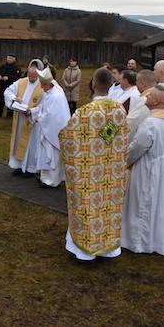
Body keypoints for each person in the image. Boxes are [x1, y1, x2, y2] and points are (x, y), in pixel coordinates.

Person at [59, 67, 129, 261]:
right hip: (111, 171)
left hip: (88, 171)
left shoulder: (85, 112)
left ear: (94, 84)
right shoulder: (119, 110)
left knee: (87, 206)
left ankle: (85, 252)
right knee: (108, 207)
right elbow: (118, 137)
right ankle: (108, 249)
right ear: (110, 85)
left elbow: (67, 137)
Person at [122, 85, 164, 256]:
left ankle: (139, 242)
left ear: (157, 101)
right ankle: (158, 241)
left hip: (148, 169)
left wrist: (124, 159)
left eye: (150, 96)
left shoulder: (150, 123)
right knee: (158, 205)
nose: (146, 98)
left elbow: (137, 148)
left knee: (142, 204)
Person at [28, 67, 71, 188]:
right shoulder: (49, 92)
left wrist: (40, 119)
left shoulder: (56, 95)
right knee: (46, 154)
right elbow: (44, 108)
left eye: (42, 85)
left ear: (48, 84)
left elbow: (53, 115)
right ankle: (45, 176)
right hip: (48, 129)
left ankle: (52, 181)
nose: (41, 87)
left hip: (53, 130)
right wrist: (35, 113)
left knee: (52, 155)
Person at [4, 60, 44, 177]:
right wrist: (15, 98)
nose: (31, 78)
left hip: (33, 121)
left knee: (31, 144)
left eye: (34, 76)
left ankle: (30, 168)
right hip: (20, 119)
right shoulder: (21, 82)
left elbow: (45, 105)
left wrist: (32, 111)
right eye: (29, 75)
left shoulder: (43, 85)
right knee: (18, 141)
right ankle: (18, 165)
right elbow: (7, 92)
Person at [127, 69, 155, 139]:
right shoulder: (157, 96)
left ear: (143, 84)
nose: (135, 83)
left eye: (137, 81)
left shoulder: (146, 101)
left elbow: (132, 123)